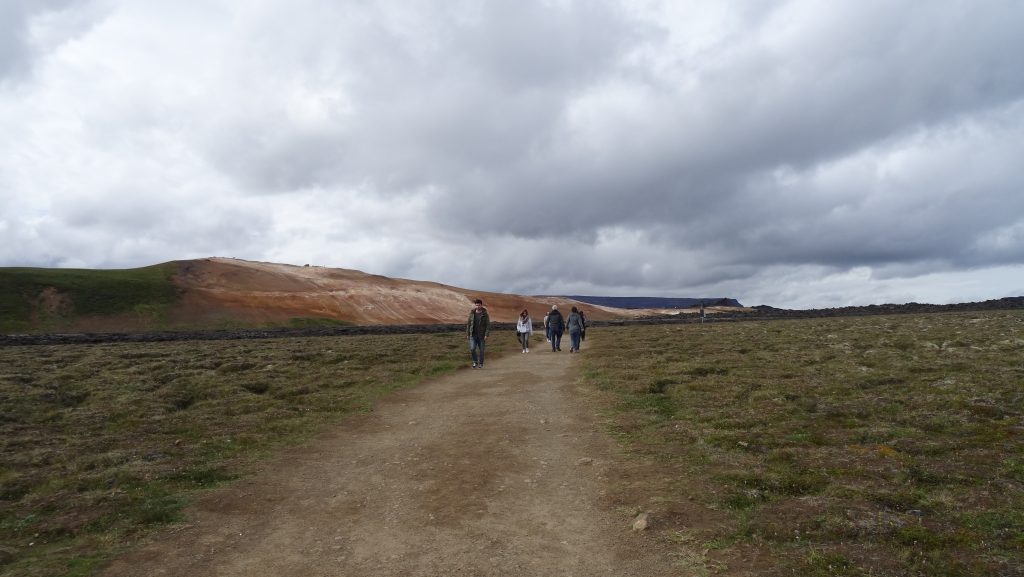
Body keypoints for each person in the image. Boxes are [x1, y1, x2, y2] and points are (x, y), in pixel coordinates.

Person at [466, 298, 489, 368]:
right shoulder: (472, 314)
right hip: (473, 335)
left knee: (481, 351)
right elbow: (469, 324)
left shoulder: (485, 314)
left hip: (481, 336)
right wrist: (467, 334)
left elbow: (488, 325)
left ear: (481, 305)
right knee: (472, 349)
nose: (477, 307)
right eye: (476, 305)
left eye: (479, 305)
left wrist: (486, 334)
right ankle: (475, 362)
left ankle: (481, 363)